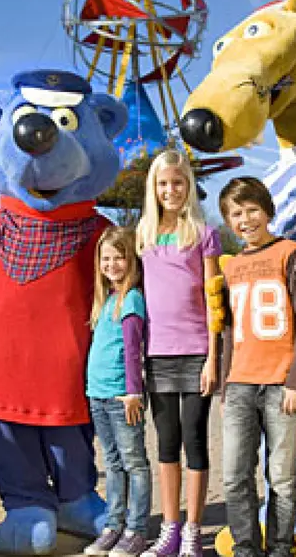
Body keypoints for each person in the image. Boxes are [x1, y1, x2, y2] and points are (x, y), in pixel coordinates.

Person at [217, 177, 296, 557]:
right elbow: (228, 328)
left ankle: (280, 547)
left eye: (252, 210)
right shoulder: (231, 266)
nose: (246, 219)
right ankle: (246, 549)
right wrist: (226, 386)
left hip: (281, 383)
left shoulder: (291, 252)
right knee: (234, 476)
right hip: (240, 383)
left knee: (282, 477)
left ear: (267, 210)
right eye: (236, 214)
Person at [134, 149, 221, 557]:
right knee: (166, 444)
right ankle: (169, 529)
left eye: (178, 183)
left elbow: (214, 301)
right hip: (158, 356)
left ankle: (192, 528)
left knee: (195, 442)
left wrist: (214, 358)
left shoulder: (203, 235)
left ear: (189, 187)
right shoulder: (144, 235)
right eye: (163, 184)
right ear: (154, 187)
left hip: (197, 353)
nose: (170, 190)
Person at [84, 228, 152, 557]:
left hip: (122, 397)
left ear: (130, 260)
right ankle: (114, 524)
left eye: (118, 257)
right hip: (98, 394)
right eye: (106, 258)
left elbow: (133, 349)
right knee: (112, 464)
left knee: (134, 463)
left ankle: (136, 529)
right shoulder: (106, 299)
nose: (111, 264)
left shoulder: (132, 298)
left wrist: (133, 392)